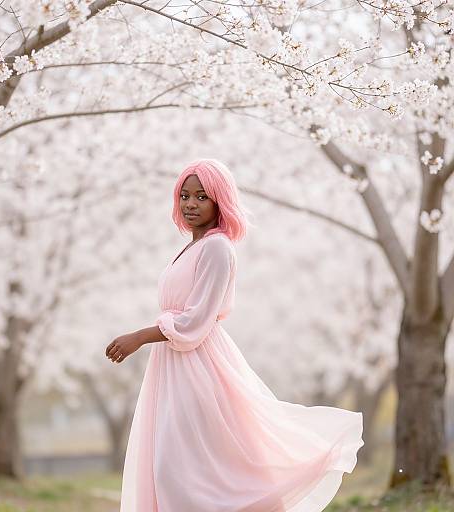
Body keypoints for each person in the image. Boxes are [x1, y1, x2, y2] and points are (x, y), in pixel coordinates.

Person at [105, 158, 364, 512]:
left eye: (202, 197)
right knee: (171, 463)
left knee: (178, 467)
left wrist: (138, 336)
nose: (190, 204)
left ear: (219, 201)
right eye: (185, 195)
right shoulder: (192, 247)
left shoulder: (217, 247)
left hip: (197, 365)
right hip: (172, 365)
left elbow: (195, 321)